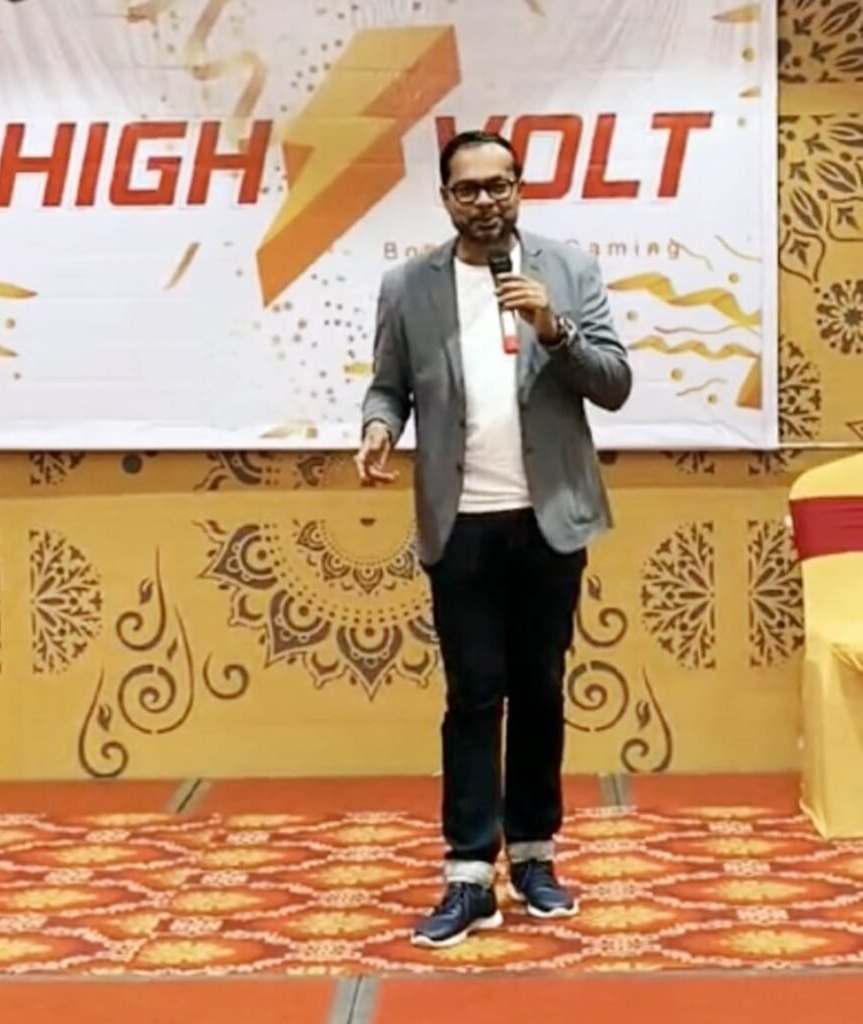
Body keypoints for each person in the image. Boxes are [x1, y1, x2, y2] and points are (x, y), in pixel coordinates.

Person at [355, 129, 632, 949]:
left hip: (550, 516)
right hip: (461, 519)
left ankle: (536, 857)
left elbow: (614, 384)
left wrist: (554, 327)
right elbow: (388, 386)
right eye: (469, 188)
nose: (486, 201)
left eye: (500, 184)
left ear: (520, 189)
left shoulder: (568, 271)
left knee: (541, 689)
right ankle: (469, 872)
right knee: (473, 695)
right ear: (446, 198)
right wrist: (377, 428)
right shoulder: (408, 287)